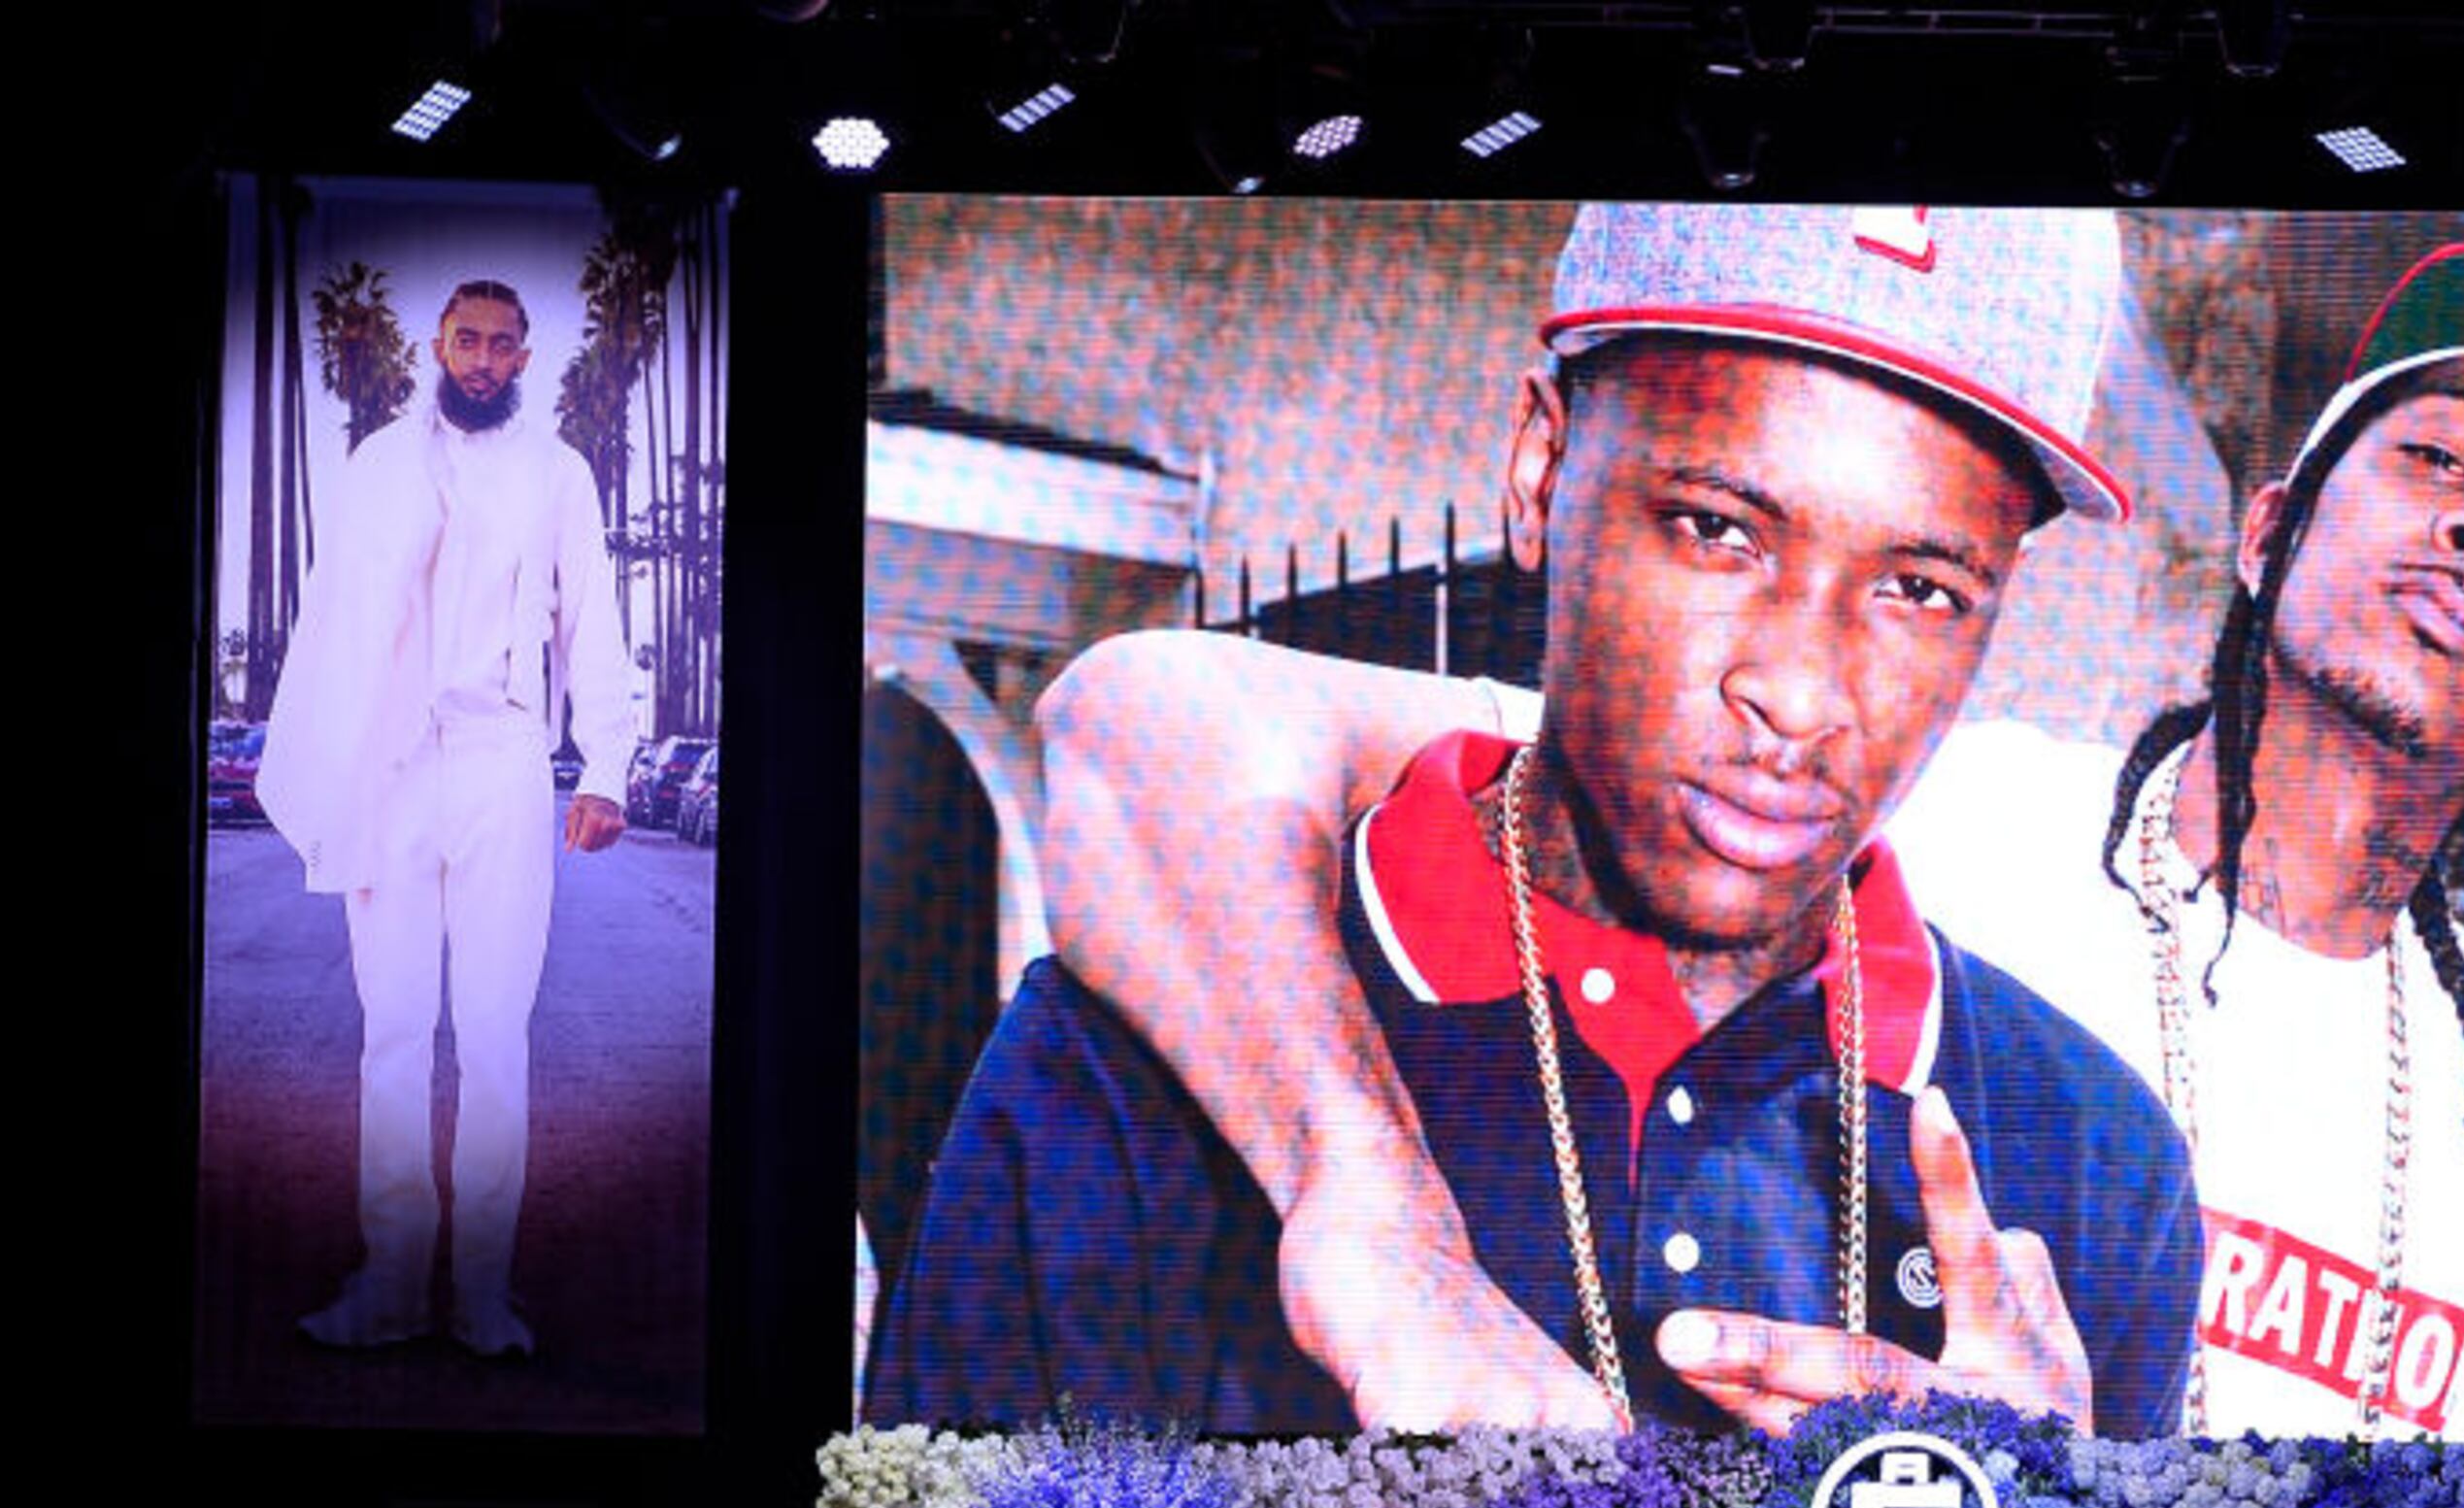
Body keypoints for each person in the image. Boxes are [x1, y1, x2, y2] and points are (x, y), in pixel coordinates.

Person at [1024, 236, 2464, 1439]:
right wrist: (1376, 1216)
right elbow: (1156, 724)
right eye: (2439, 457)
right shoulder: (1918, 809)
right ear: (2265, 531)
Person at [864, 205, 2201, 1437]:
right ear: (1539, 467)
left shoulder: (2092, 1159)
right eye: (1717, 529)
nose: (1800, 692)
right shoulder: (1154, 1055)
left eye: (1920, 588)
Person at [257, 277, 640, 1361]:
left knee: (491, 1035)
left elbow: (592, 622)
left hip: (502, 762)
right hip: (389, 765)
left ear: (524, 359)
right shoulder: (379, 463)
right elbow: (331, 618)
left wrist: (604, 765)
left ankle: (480, 1293)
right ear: (438, 344)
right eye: (465, 339)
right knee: (391, 1030)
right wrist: (329, 764)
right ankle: (389, 1286)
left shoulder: (557, 474)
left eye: (501, 345)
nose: (480, 358)